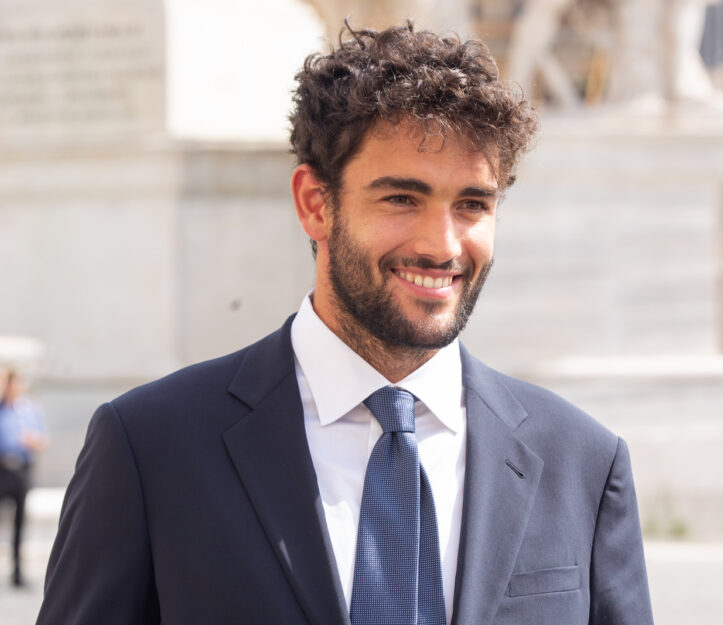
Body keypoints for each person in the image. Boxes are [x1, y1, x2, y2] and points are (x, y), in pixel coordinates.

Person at [37, 22, 653, 625]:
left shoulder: (584, 465)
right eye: (401, 199)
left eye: (473, 204)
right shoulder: (150, 447)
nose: (443, 246)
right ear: (314, 203)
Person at [0, 370, 47, 588]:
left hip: (22, 469)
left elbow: (43, 441)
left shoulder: (30, 410)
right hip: (2, 468)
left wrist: (31, 441)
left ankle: (17, 573)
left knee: (20, 523)